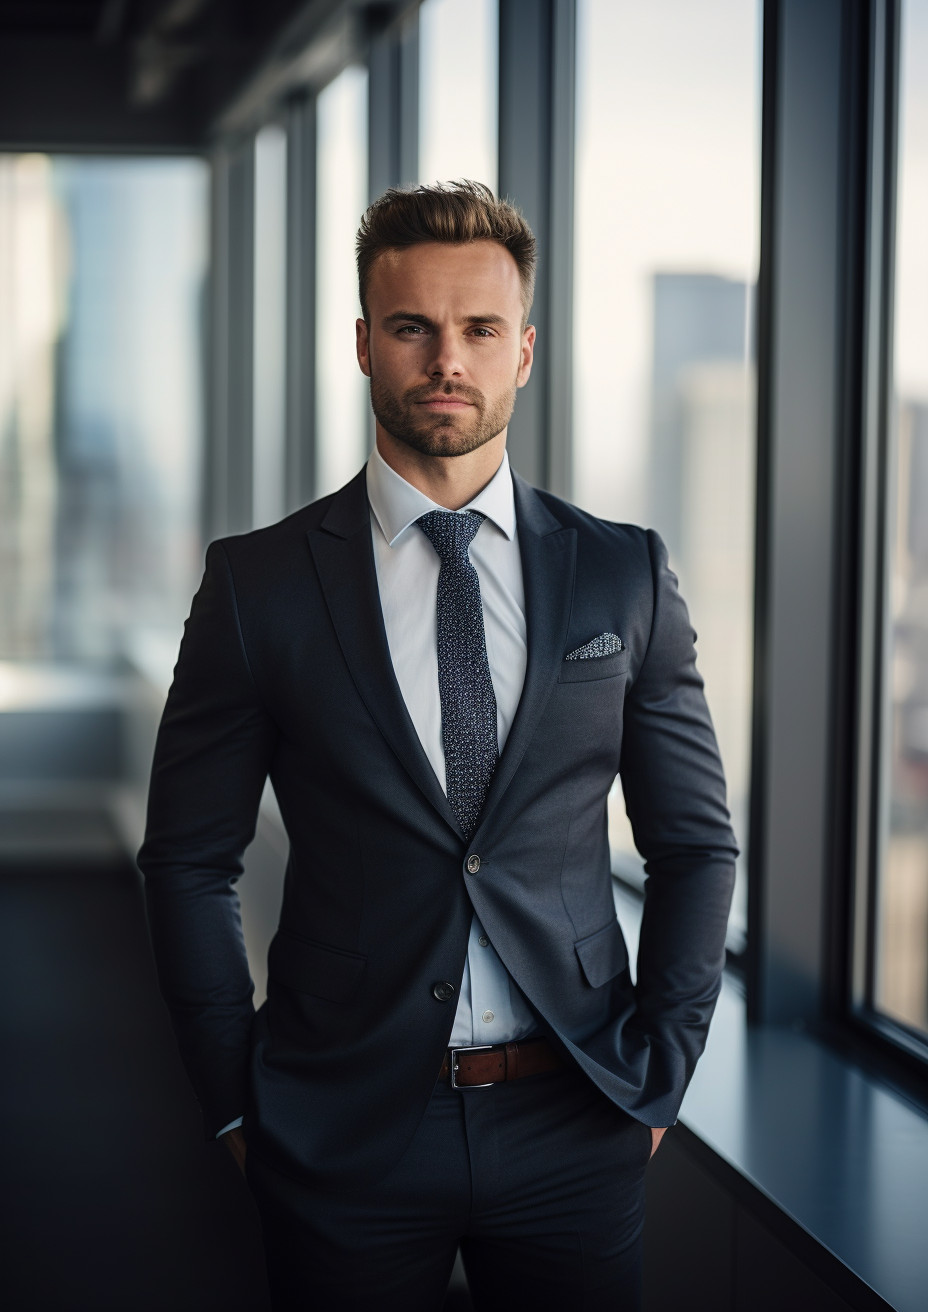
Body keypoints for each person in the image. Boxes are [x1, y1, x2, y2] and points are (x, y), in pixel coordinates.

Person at [138, 180, 737, 1312]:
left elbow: (696, 846)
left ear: (523, 350)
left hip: (577, 1115)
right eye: (412, 327)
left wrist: (659, 1075)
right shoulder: (258, 587)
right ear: (365, 345)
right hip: (343, 1126)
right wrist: (231, 1101)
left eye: (477, 329)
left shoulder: (622, 573)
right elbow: (186, 860)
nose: (444, 359)